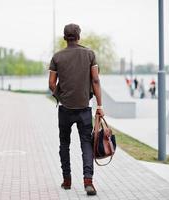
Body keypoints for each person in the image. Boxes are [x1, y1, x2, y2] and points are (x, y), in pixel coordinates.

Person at [48, 23, 104, 196]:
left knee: (64, 144)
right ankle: (88, 181)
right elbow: (95, 81)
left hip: (65, 109)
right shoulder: (89, 54)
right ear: (79, 36)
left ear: (65, 37)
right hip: (84, 109)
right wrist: (99, 106)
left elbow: (51, 83)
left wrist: (62, 97)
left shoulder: (57, 57)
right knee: (86, 144)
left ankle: (67, 180)